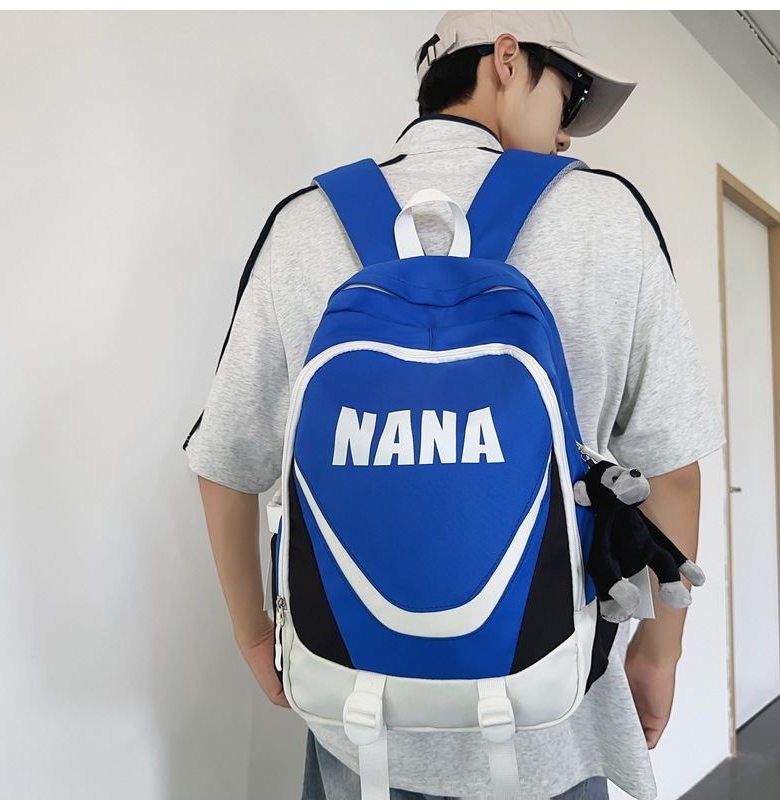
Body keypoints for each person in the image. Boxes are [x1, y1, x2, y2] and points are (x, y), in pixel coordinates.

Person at [184, 10, 725, 800]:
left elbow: (225, 465)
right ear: (506, 60)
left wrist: (255, 634)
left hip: (358, 721)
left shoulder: (304, 224)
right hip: (556, 717)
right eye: (570, 97)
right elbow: (672, 472)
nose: (566, 134)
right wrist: (657, 655)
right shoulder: (609, 217)